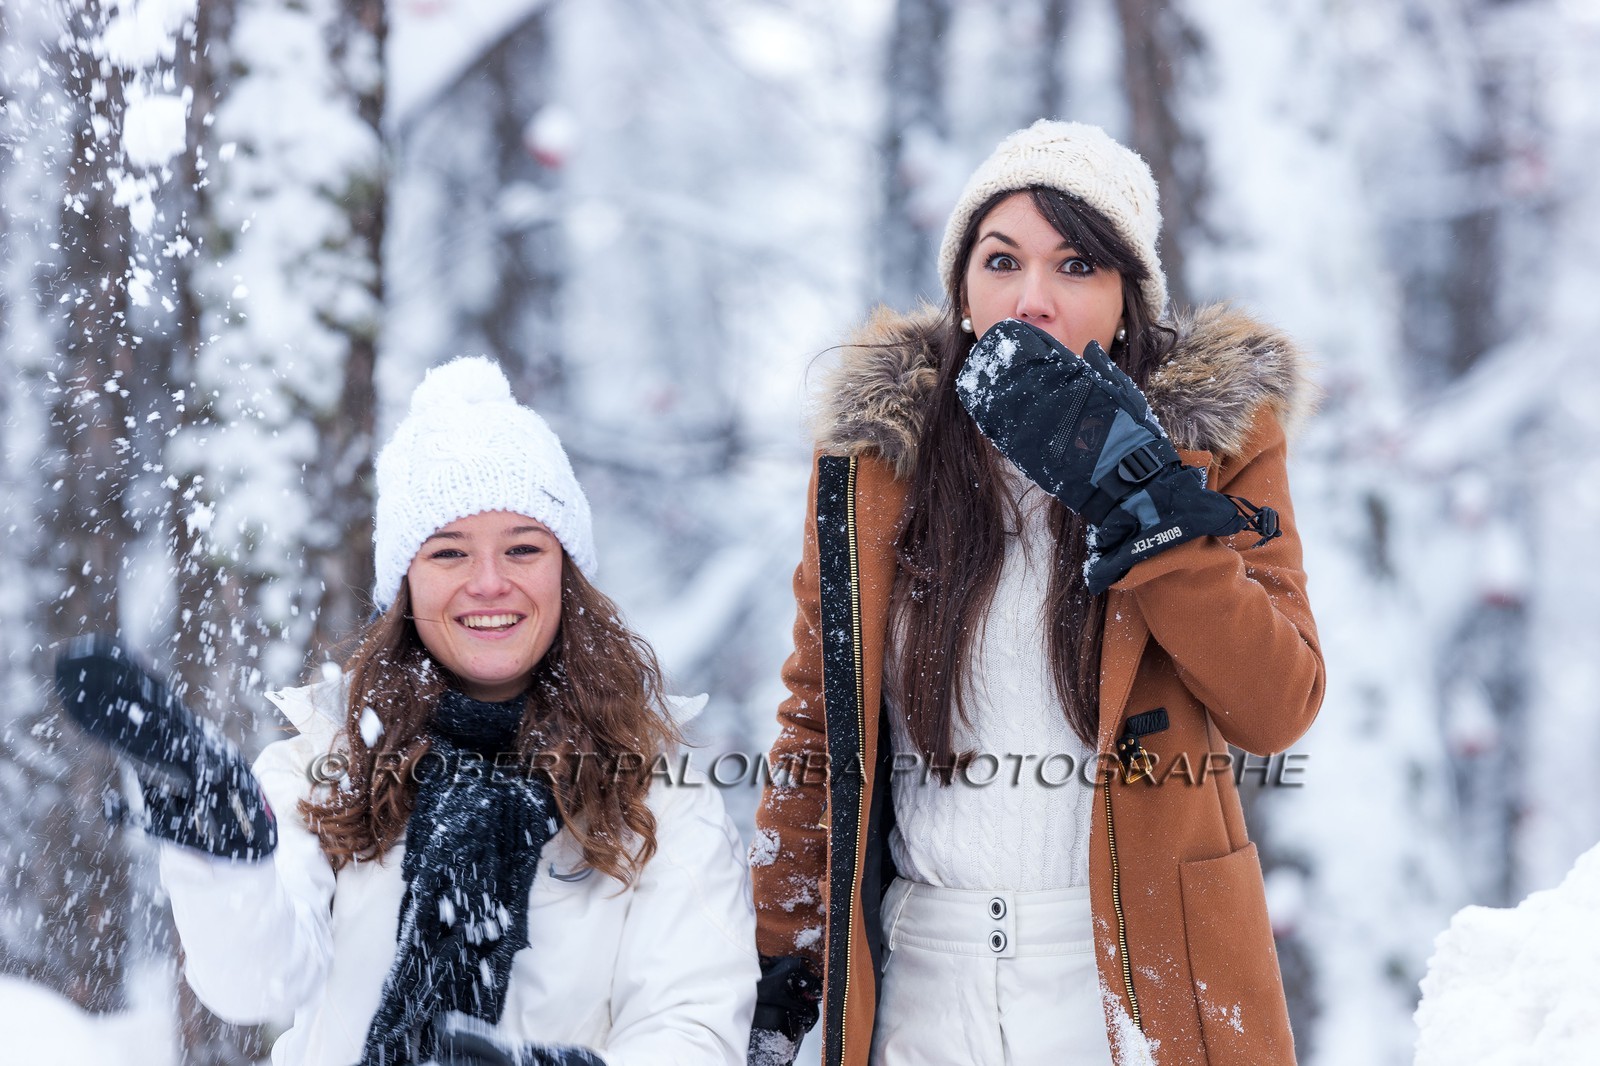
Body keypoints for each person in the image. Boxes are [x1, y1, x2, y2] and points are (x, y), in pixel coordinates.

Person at [746, 120, 1324, 1066]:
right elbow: (819, 717)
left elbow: (1277, 706)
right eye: (1002, 260)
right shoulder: (876, 463)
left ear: (1130, 299)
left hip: (1133, 970)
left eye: (1077, 266)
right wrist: (783, 944)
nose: (1033, 299)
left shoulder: (1212, 444)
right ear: (963, 288)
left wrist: (1152, 515)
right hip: (924, 978)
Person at [56, 357, 759, 1066]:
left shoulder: (660, 792)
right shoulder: (326, 761)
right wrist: (228, 857)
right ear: (406, 584)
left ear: (565, 571)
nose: (489, 583)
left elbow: (693, 1021)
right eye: (449, 553)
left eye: (523, 548)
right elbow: (254, 985)